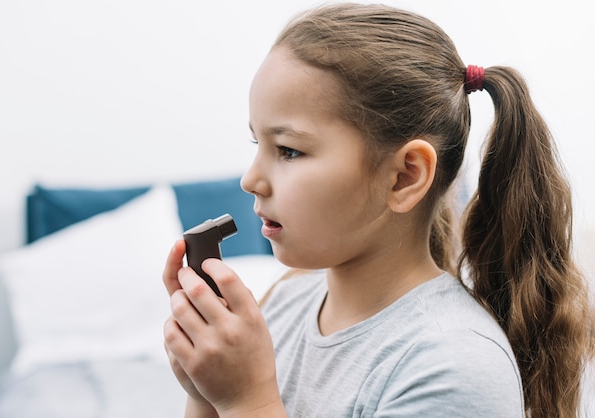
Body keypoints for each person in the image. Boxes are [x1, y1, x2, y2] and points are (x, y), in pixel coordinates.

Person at [162, 3, 595, 417]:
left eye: (289, 150)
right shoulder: (283, 305)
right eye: (259, 144)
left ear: (404, 177)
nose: (250, 180)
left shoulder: (456, 366)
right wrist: (205, 391)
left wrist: (246, 402)